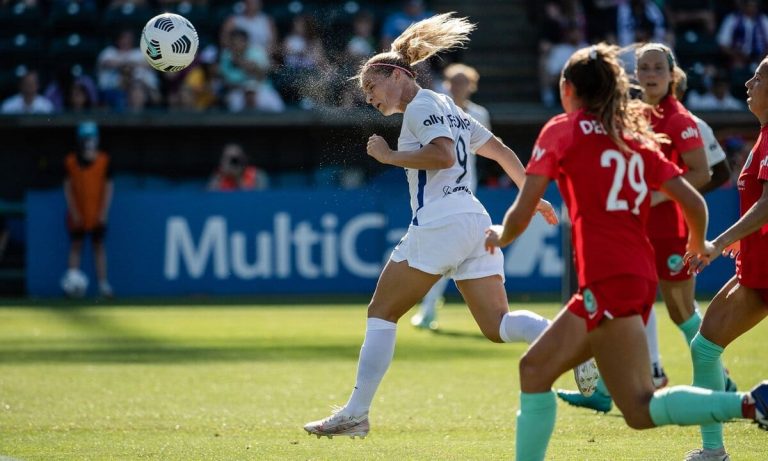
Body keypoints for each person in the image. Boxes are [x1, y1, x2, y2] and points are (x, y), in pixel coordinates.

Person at [484, 42, 768, 461]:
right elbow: (694, 199)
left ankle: (749, 404)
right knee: (536, 369)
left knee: (638, 405)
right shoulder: (634, 137)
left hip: (610, 278)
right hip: (629, 274)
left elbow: (522, 209)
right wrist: (698, 241)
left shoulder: (561, 129)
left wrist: (500, 236)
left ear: (567, 90)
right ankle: (743, 406)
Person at [303, 13, 564, 439]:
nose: (369, 98)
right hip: (475, 219)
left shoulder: (422, 105)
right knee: (498, 326)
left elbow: (443, 157)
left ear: (397, 74)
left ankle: (355, 413)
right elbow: (499, 151)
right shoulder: (448, 106)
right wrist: (531, 197)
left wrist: (387, 157)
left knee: (381, 312)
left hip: (441, 219)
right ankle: (570, 338)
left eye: (371, 87)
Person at [556, 42, 725, 412]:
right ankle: (610, 387)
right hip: (632, 229)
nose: (649, 75)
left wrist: (657, 197)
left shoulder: (679, 120)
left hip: (667, 231)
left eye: (657, 69)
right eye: (643, 68)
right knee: (623, 308)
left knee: (681, 310)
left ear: (672, 75)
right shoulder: (630, 114)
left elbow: (703, 173)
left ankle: (721, 379)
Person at [682, 54, 768, 461]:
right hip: (755, 264)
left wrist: (718, 241)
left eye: (758, 77)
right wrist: (741, 242)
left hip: (763, 268)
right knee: (704, 348)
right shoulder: (763, 137)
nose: (749, 83)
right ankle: (713, 450)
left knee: (704, 348)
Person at [410, 62, 491, 330]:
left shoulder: (479, 114)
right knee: (444, 253)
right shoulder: (435, 109)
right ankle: (429, 308)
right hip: (437, 192)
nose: (457, 87)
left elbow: (483, 148)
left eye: (462, 82)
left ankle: (495, 317)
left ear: (471, 85)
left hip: (467, 192)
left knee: (456, 255)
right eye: (453, 81)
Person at [63, 121, 114, 298]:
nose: (89, 143)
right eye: (86, 139)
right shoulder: (71, 161)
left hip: (96, 212)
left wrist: (103, 212)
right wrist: (74, 211)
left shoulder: (103, 161)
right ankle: (71, 283)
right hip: (78, 212)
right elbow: (68, 187)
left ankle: (103, 284)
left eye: (91, 138)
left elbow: (108, 187)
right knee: (76, 245)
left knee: (98, 246)